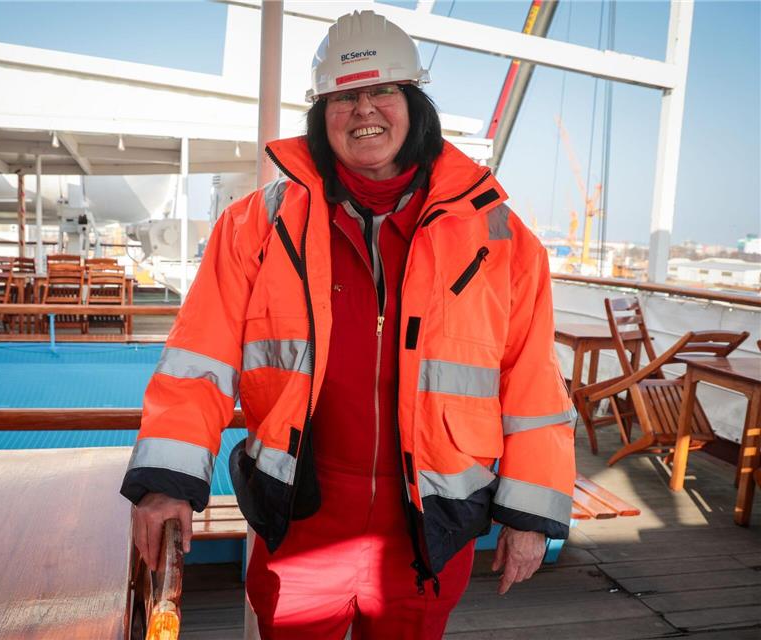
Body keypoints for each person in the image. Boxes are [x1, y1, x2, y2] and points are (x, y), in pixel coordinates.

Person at [122, 9, 575, 639]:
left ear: (414, 102)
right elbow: (198, 359)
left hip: (425, 529)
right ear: (320, 114)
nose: (364, 109)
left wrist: (529, 514)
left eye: (383, 89)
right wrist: (167, 485)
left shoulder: (501, 237)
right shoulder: (257, 224)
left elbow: (532, 382)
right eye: (344, 96)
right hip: (301, 521)